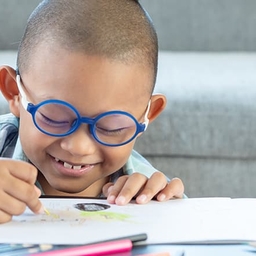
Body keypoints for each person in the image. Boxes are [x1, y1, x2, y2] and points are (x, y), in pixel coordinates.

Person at [0, 0, 184, 224]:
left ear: (146, 115)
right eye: (53, 117)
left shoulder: (147, 191)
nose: (78, 148)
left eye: (111, 127)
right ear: (14, 94)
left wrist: (170, 215)